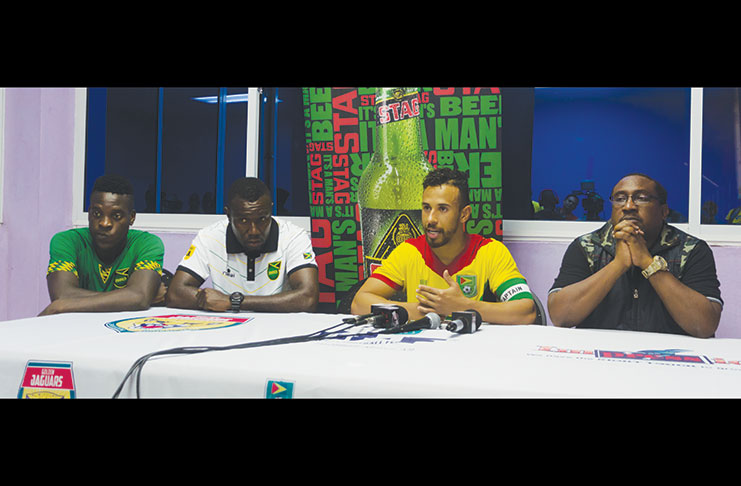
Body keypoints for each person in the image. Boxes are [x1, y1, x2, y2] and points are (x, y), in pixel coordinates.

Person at [351, 168, 536, 325]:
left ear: (464, 214)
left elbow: (526, 310)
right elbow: (359, 303)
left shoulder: (490, 251)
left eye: (443, 209)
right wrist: (422, 311)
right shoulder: (409, 251)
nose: (430, 219)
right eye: (426, 208)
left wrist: (462, 307)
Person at [548, 173, 723, 338]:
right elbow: (560, 316)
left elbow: (704, 325)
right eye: (620, 199)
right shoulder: (587, 246)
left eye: (641, 198)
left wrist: (648, 263)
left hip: (669, 359)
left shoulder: (692, 249)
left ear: (663, 211)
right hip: (601, 357)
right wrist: (618, 265)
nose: (628, 206)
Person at [166, 177, 319, 313]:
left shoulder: (293, 236)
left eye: (262, 219)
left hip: (280, 329)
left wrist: (233, 301)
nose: (254, 230)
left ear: (270, 210)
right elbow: (175, 293)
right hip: (226, 330)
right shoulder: (210, 237)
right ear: (228, 214)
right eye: (243, 221)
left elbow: (308, 297)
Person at [40, 175, 165, 316]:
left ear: (132, 218)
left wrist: (63, 305)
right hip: (76, 328)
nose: (104, 223)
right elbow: (62, 295)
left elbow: (139, 297)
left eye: (116, 216)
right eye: (97, 213)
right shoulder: (67, 241)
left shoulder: (147, 244)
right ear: (89, 213)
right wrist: (130, 296)